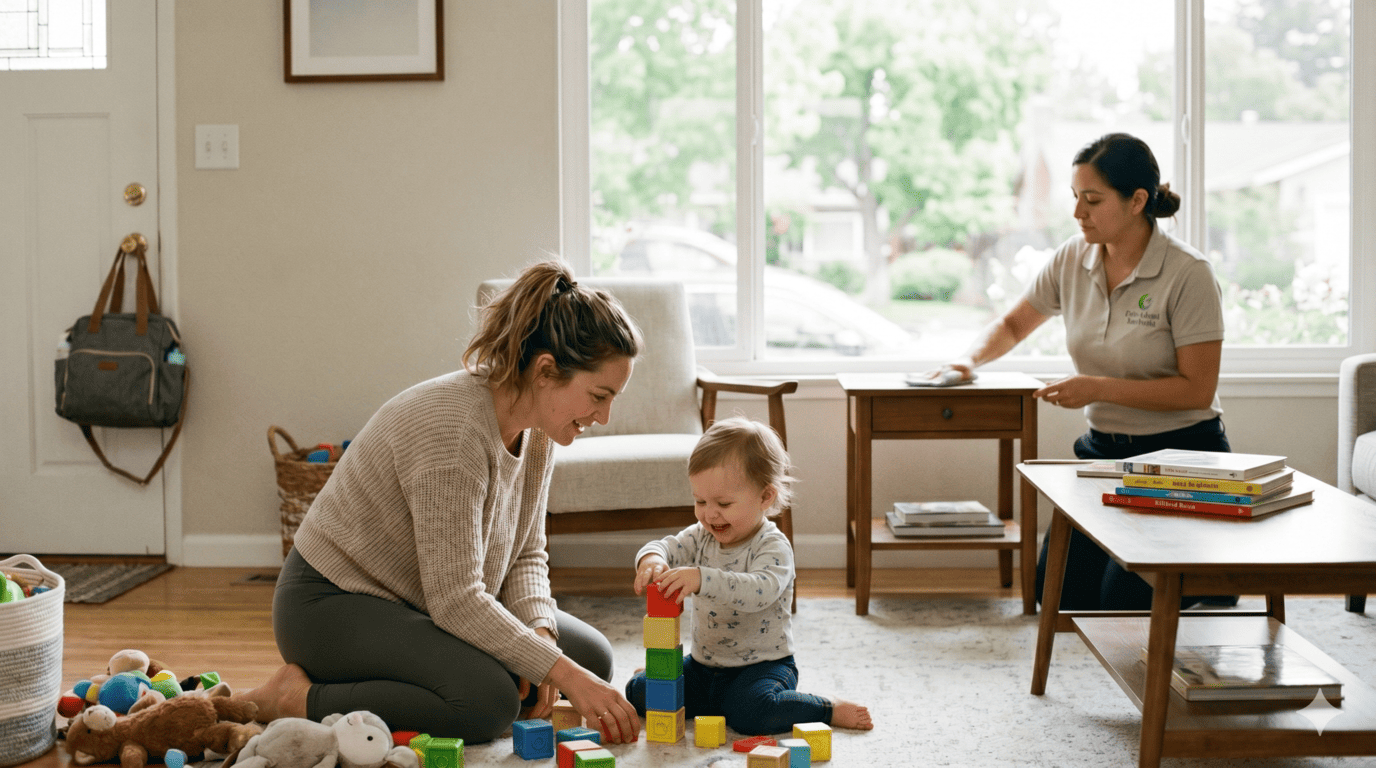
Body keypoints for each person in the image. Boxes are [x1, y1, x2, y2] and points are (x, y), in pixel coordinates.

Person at [235, 260, 644, 744]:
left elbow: (527, 553)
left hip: (423, 602)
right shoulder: (454, 433)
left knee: (590, 659)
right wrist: (560, 673)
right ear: (546, 371)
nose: (604, 415)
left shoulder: (539, 432)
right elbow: (456, 600)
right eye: (599, 395)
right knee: (488, 702)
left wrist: (541, 637)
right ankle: (296, 697)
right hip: (332, 603)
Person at [924, 132, 1231, 611]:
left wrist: (1095, 388)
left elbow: (1197, 390)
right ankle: (1193, 575)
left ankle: (1210, 578)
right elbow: (1012, 323)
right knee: (1058, 598)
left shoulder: (1188, 273)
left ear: (1137, 201)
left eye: (1092, 200)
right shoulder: (1072, 257)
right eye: (1075, 198)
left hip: (1182, 457)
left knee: (1118, 605)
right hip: (1104, 456)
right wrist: (969, 360)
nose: (1077, 213)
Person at [627, 417, 873, 735]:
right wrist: (652, 559)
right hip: (704, 666)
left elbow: (760, 591)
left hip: (763, 668)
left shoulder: (772, 546)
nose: (709, 513)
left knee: (751, 714)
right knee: (639, 692)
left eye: (724, 503)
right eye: (700, 501)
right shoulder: (700, 535)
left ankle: (825, 707)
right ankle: (690, 691)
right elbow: (665, 546)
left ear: (765, 497)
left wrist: (702, 578)